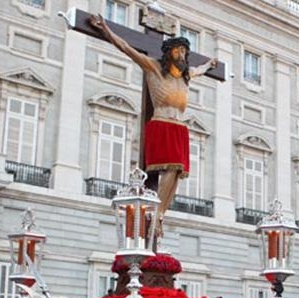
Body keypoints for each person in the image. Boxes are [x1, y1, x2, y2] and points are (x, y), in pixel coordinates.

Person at [90, 13, 218, 235]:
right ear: (169, 53)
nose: (182, 54)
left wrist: (210, 64)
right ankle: (155, 213)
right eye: (178, 50)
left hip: (179, 127)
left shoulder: (186, 76)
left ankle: (159, 214)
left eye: (184, 51)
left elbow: (202, 69)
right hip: (160, 123)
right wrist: (106, 30)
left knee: (177, 172)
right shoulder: (153, 67)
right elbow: (126, 48)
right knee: (170, 167)